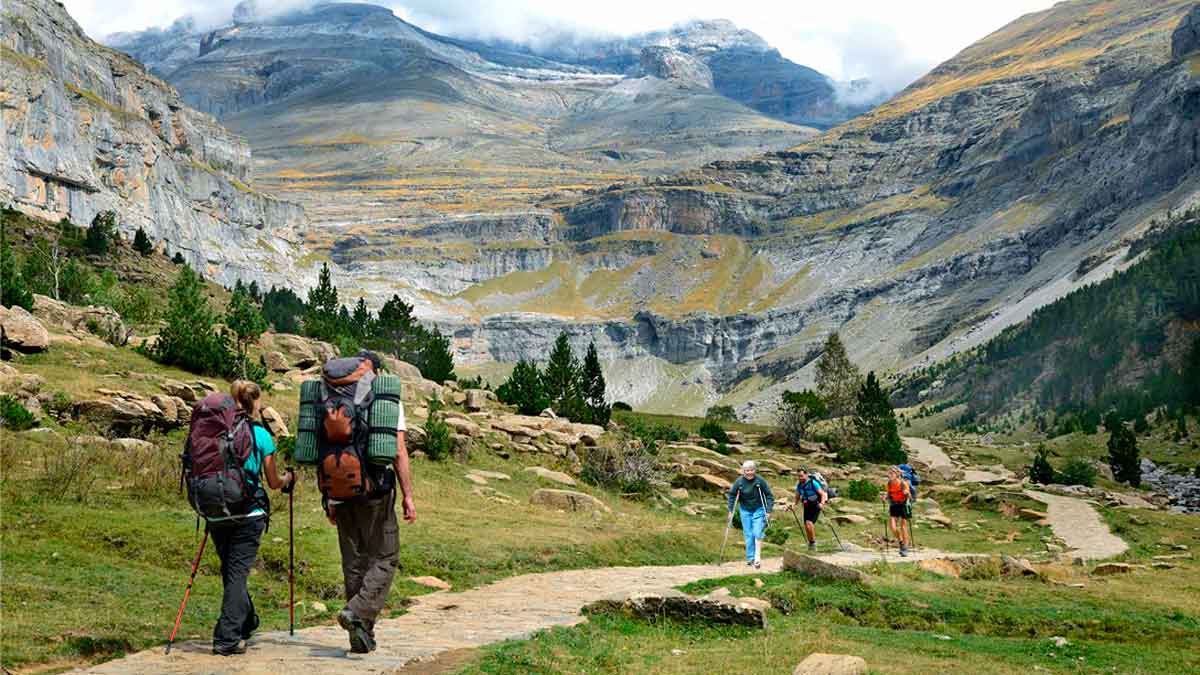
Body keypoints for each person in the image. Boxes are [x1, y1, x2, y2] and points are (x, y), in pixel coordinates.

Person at [328, 351, 417, 654]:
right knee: (385, 557)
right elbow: (399, 451)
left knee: (354, 563)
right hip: (374, 490)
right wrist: (407, 495)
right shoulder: (384, 399)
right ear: (375, 371)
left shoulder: (331, 396)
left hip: (338, 489)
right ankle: (358, 613)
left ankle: (362, 634)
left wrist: (328, 496)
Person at [211, 380, 295, 656]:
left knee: (230, 571)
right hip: (249, 512)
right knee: (236, 574)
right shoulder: (260, 436)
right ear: (255, 402)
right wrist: (288, 478)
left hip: (215, 509)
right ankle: (227, 638)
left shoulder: (215, 430)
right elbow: (273, 482)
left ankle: (246, 621)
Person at [727, 460, 774, 569]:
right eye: (747, 470)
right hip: (745, 510)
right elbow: (732, 495)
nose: (749, 473)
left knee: (757, 531)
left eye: (751, 470)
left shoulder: (760, 481)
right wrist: (730, 510)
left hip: (759, 509)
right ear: (743, 471)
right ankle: (750, 558)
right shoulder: (739, 482)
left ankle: (757, 557)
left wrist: (768, 511)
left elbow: (769, 496)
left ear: (755, 470)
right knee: (748, 534)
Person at [791, 468, 827, 552]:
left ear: (806, 475)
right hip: (806, 506)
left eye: (801, 476)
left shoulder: (813, 483)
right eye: (798, 476)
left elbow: (822, 494)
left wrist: (822, 504)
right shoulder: (799, 485)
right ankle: (811, 544)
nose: (800, 478)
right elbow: (797, 497)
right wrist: (793, 505)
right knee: (807, 527)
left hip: (815, 505)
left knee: (809, 523)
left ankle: (813, 545)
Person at [881, 465, 912, 557]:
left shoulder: (903, 483)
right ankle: (901, 541)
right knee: (892, 527)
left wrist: (906, 493)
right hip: (894, 505)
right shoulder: (889, 484)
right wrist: (884, 497)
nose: (890, 475)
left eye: (892, 473)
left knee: (903, 526)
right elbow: (888, 494)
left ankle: (905, 547)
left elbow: (909, 496)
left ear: (897, 474)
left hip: (903, 505)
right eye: (889, 473)